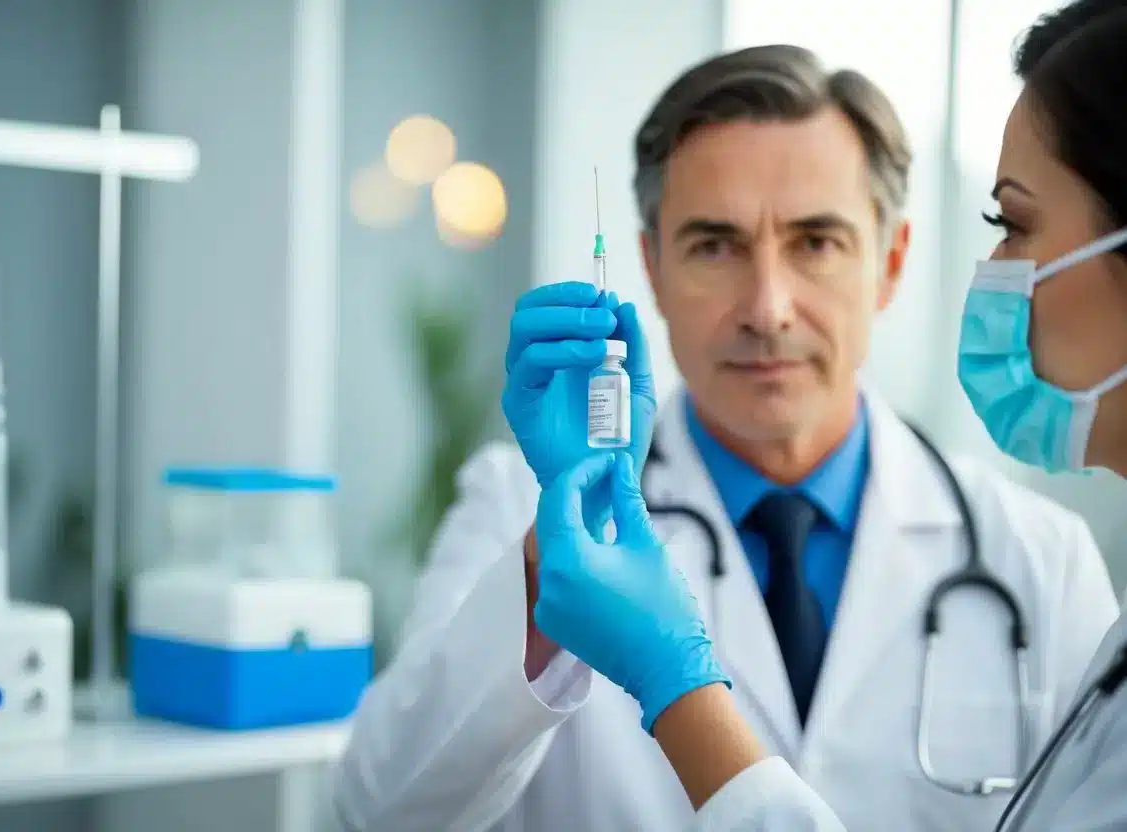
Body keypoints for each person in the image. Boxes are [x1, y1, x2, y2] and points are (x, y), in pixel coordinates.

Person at [330, 44, 1118, 832]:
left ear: (889, 262)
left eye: (815, 243)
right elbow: (377, 812)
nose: (767, 309)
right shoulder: (518, 504)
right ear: (651, 268)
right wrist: (550, 565)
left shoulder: (1038, 556)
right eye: (714, 246)